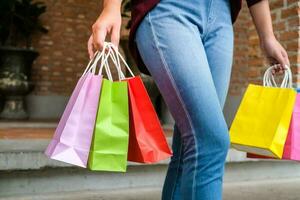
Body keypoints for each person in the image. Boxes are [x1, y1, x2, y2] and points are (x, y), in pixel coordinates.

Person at [87, 0, 290, 199]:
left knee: (190, 147)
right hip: (168, 9)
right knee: (211, 140)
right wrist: (111, 6)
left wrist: (267, 36)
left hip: (222, 18)